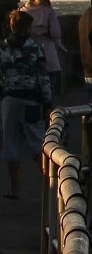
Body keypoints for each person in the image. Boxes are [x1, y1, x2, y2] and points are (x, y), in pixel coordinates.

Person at [2, 11, 50, 199]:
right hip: (31, 98)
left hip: (9, 99)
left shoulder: (3, 48)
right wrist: (47, 102)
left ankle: (14, 187)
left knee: (10, 143)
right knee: (37, 143)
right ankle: (50, 186)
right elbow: (43, 77)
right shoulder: (35, 48)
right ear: (27, 28)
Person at [22, 0, 65, 97]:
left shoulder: (24, 10)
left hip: (29, 51)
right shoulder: (48, 10)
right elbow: (55, 33)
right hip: (47, 49)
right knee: (49, 88)